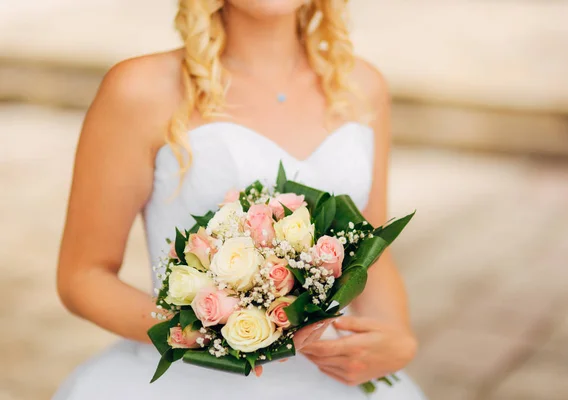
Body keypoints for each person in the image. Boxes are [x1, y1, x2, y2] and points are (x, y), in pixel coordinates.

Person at [54, 1, 426, 399]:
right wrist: (221, 337)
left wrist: (397, 336)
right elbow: (84, 277)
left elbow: (370, 249)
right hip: (188, 382)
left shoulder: (361, 86)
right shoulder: (140, 89)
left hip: (329, 378)